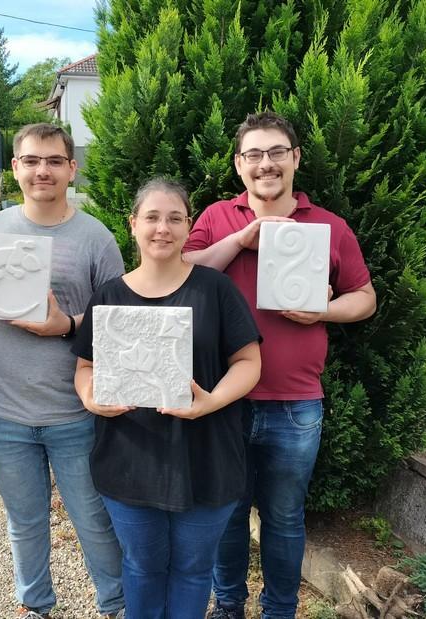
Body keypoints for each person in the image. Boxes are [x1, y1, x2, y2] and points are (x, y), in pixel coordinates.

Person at [183, 111, 377, 619]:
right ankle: (228, 606)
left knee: (285, 517)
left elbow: (365, 298)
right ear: (238, 164)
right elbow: (179, 273)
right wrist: (242, 240)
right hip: (221, 399)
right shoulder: (214, 218)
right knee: (224, 515)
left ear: (294, 159)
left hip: (295, 403)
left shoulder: (329, 226)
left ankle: (280, 610)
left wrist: (325, 310)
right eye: (253, 155)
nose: (265, 164)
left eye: (275, 153)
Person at [0, 123, 125, 619]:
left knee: (92, 518)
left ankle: (117, 604)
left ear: (71, 168)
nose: (42, 170)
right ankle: (36, 605)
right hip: (1, 409)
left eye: (53, 161)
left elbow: (117, 317)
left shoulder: (96, 237)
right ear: (16, 169)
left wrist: (65, 325)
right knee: (24, 520)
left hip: (73, 410)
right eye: (31, 161)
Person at [73, 178, 262, 619]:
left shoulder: (214, 289)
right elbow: (84, 368)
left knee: (195, 571)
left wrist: (210, 402)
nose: (163, 228)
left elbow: (249, 362)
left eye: (175, 218)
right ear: (133, 224)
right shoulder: (109, 297)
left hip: (208, 455)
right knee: (141, 566)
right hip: (130, 459)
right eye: (153, 217)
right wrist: (90, 398)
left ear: (188, 225)